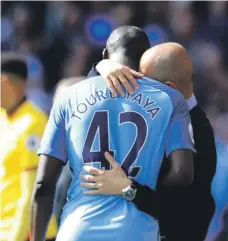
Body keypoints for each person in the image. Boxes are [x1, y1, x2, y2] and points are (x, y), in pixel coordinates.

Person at [30, 26, 194, 241]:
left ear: (106, 56)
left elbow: (43, 184)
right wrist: (138, 189)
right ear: (145, 57)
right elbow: (183, 174)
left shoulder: (68, 96)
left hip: (78, 230)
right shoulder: (170, 99)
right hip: (137, 231)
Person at [86, 42, 216, 241]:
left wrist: (127, 188)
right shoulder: (165, 116)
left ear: (168, 87)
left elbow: (179, 209)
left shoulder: (196, 133)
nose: (139, 88)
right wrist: (102, 67)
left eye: (145, 82)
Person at [0, 53, 58, 241]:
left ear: (7, 82)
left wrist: (15, 238)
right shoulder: (3, 118)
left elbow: (32, 192)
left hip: (28, 233)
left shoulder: (33, 123)